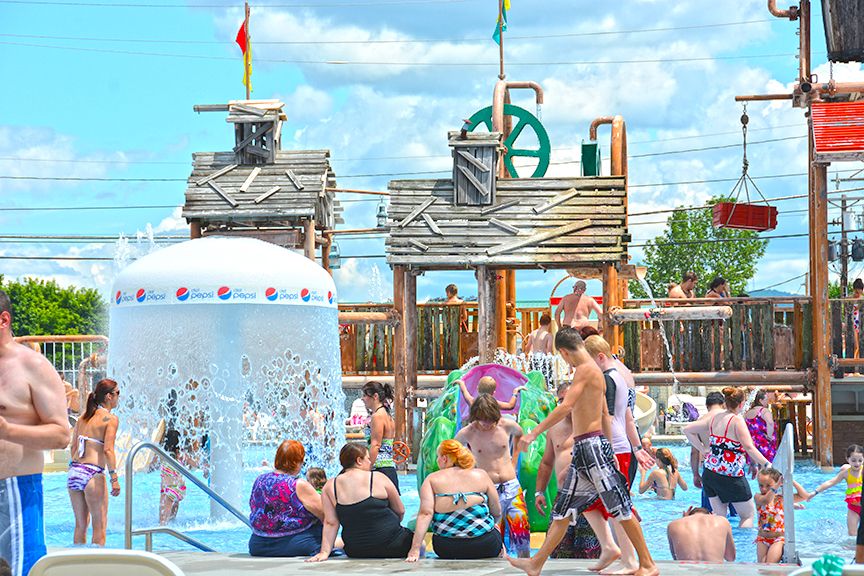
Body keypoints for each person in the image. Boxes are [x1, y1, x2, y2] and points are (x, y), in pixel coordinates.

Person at [508, 328, 658, 576]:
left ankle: (648, 564)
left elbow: (566, 406)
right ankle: (536, 564)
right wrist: (610, 450)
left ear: (564, 352)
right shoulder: (596, 372)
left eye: (563, 357)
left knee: (620, 507)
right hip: (589, 449)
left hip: (591, 447)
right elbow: (604, 415)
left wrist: (534, 433)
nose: (565, 361)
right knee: (563, 511)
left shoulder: (585, 370)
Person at [0, 291, 70, 576]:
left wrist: (7, 429)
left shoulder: (32, 366)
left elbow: (61, 434)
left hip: (15, 489)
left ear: (3, 320)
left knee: (24, 571)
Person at [583, 334, 656, 572]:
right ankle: (612, 549)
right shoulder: (620, 376)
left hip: (613, 448)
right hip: (619, 446)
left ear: (600, 357)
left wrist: (610, 447)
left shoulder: (608, 379)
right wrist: (636, 448)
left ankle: (630, 559)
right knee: (588, 501)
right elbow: (627, 416)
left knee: (619, 509)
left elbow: (609, 417)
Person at [534, 382, 605, 560]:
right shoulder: (555, 428)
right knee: (557, 551)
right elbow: (546, 463)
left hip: (589, 498)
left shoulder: (593, 426)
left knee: (590, 553)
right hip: (562, 496)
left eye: (571, 399)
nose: (567, 405)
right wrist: (539, 492)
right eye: (561, 401)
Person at [308, 443, 413, 561]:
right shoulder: (378, 478)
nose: (370, 462)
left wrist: (324, 552)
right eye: (368, 459)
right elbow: (400, 510)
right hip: (395, 545)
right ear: (359, 460)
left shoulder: (330, 486)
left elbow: (330, 523)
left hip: (356, 550)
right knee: (420, 544)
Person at [683, 386, 770, 527]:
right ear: (741, 404)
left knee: (719, 518)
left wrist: (703, 449)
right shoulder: (737, 420)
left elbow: (687, 430)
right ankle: (742, 548)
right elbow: (749, 447)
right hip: (731, 475)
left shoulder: (713, 418)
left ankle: (720, 546)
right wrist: (767, 465)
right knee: (747, 516)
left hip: (710, 474)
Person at [456, 394, 529, 558]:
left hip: (511, 485)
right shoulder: (468, 432)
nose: (487, 424)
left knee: (521, 531)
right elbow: (452, 451)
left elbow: (520, 433)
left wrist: (514, 459)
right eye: (483, 419)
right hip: (489, 490)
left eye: (490, 419)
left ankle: (526, 564)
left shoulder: (505, 425)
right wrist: (468, 470)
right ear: (476, 416)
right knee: (494, 536)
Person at [406, 439, 503, 561]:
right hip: (485, 545)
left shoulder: (432, 479)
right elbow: (497, 511)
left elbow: (425, 514)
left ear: (445, 458)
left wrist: (414, 549)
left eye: (438, 457)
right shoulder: (481, 475)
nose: (437, 460)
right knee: (495, 530)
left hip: (446, 548)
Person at [67, 378, 121, 546]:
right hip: (92, 474)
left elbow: (73, 447)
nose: (119, 397)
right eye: (118, 393)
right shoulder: (110, 419)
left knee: (80, 526)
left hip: (74, 472)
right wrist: (114, 479)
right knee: (100, 527)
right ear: (109, 397)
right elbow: (108, 450)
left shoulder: (83, 417)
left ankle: (77, 566)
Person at [248, 440, 324, 557]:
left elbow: (253, 506)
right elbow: (324, 513)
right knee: (340, 542)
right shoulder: (297, 485)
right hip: (293, 544)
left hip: (258, 544)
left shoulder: (260, 480)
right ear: (296, 462)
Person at [688, 391, 736, 516]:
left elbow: (694, 452)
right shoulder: (731, 419)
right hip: (730, 466)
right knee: (735, 512)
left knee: (708, 512)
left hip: (710, 467)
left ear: (707, 405)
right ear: (723, 404)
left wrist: (695, 474)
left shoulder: (700, 421)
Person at [754, 468, 810, 563]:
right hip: (762, 538)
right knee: (761, 567)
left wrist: (791, 481)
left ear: (777, 483)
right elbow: (766, 501)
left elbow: (804, 496)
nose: (764, 489)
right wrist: (774, 487)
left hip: (778, 539)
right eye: (761, 485)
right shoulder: (758, 497)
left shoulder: (782, 498)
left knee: (770, 565)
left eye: (768, 486)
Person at [809, 444, 863, 537]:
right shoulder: (846, 473)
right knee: (852, 534)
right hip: (853, 508)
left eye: (860, 460)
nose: (857, 463)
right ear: (847, 459)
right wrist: (815, 492)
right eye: (853, 460)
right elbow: (831, 482)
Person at [361, 381, 399, 492]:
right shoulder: (386, 414)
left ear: (375, 396)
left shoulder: (377, 416)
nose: (362, 399)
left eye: (365, 395)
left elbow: (376, 445)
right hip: (389, 467)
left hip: (380, 468)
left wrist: (367, 467)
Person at [667, 507, 735, 562]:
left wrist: (683, 518)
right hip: (715, 573)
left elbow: (676, 560)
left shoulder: (673, 525)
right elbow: (730, 558)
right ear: (711, 515)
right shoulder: (722, 521)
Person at [744, 389, 776, 468]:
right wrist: (769, 437)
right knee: (767, 467)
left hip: (752, 444)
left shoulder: (748, 412)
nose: (767, 402)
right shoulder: (764, 411)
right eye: (766, 400)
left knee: (755, 468)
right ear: (760, 400)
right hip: (764, 442)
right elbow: (770, 423)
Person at [457, 376, 525, 412]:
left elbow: (464, 391)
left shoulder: (473, 402)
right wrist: (515, 392)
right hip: (492, 431)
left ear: (477, 389)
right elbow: (510, 406)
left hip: (476, 431)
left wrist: (461, 383)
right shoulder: (494, 403)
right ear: (493, 392)